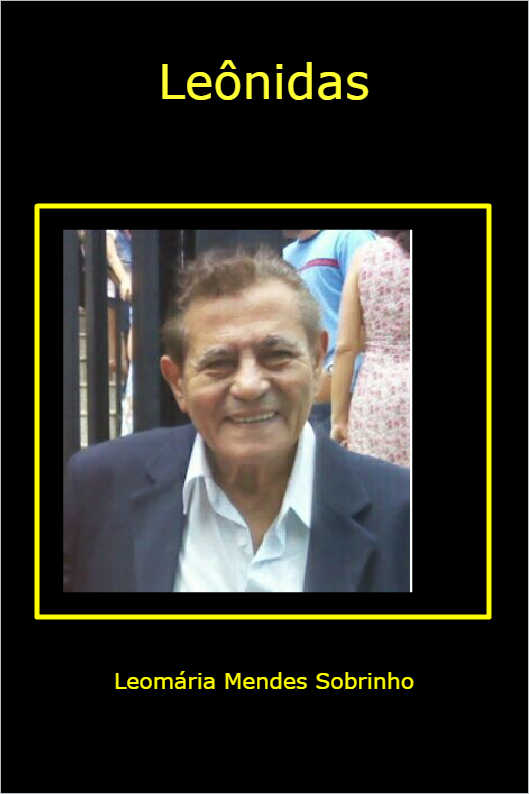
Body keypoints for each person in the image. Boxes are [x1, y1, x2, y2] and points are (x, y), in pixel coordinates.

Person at [64, 248, 409, 593]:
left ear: (317, 361)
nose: (249, 386)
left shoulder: (399, 513)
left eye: (277, 356)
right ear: (178, 382)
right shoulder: (100, 490)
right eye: (219, 364)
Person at [282, 229, 375, 436]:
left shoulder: (350, 237)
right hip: (305, 397)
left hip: (352, 394)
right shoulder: (287, 255)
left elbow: (375, 319)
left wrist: (334, 373)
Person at [331, 231, 410, 467]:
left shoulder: (367, 256)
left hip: (378, 398)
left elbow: (346, 347)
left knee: (378, 481)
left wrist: (338, 418)